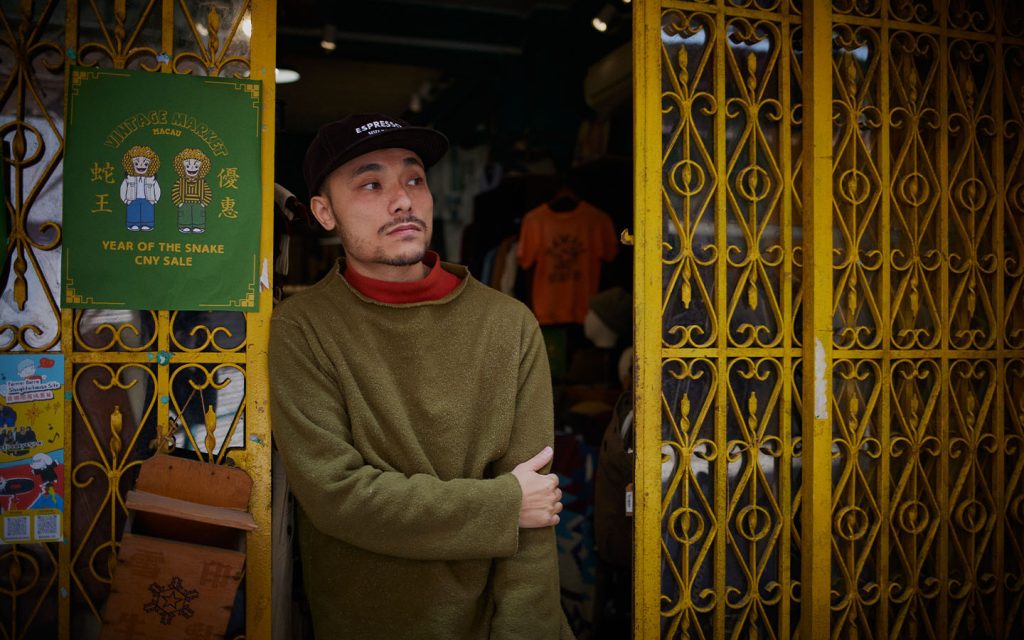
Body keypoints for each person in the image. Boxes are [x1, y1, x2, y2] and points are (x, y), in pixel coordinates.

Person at [269, 113, 574, 639]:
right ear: (324, 212)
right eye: (370, 184)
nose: (403, 200)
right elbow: (336, 496)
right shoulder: (303, 329)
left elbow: (536, 515)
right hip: (361, 622)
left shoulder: (508, 325)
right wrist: (502, 505)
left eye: (414, 179)